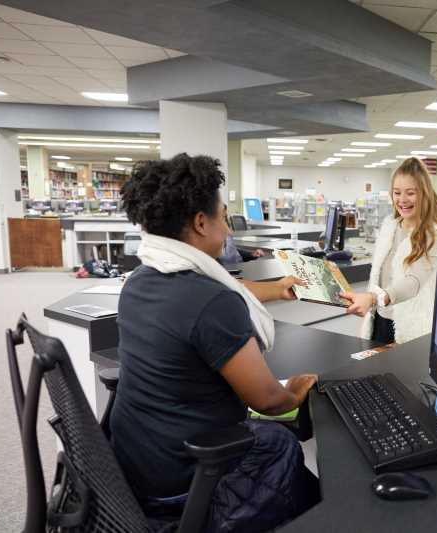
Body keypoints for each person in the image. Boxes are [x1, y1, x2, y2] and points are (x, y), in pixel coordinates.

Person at [113, 153, 318, 533]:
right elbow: (267, 402)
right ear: (200, 222)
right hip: (183, 477)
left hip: (134, 466)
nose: (228, 230)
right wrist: (296, 393)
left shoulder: (141, 279)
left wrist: (273, 289)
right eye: (223, 218)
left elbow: (216, 290)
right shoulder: (211, 303)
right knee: (281, 442)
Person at [341, 157, 437, 344]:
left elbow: (413, 282)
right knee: (373, 371)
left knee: (402, 373)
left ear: (424, 193)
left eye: (410, 193)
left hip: (411, 327)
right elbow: (378, 277)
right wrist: (369, 308)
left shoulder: (432, 235)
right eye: (397, 192)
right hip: (379, 319)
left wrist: (373, 298)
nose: (402, 200)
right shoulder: (389, 226)